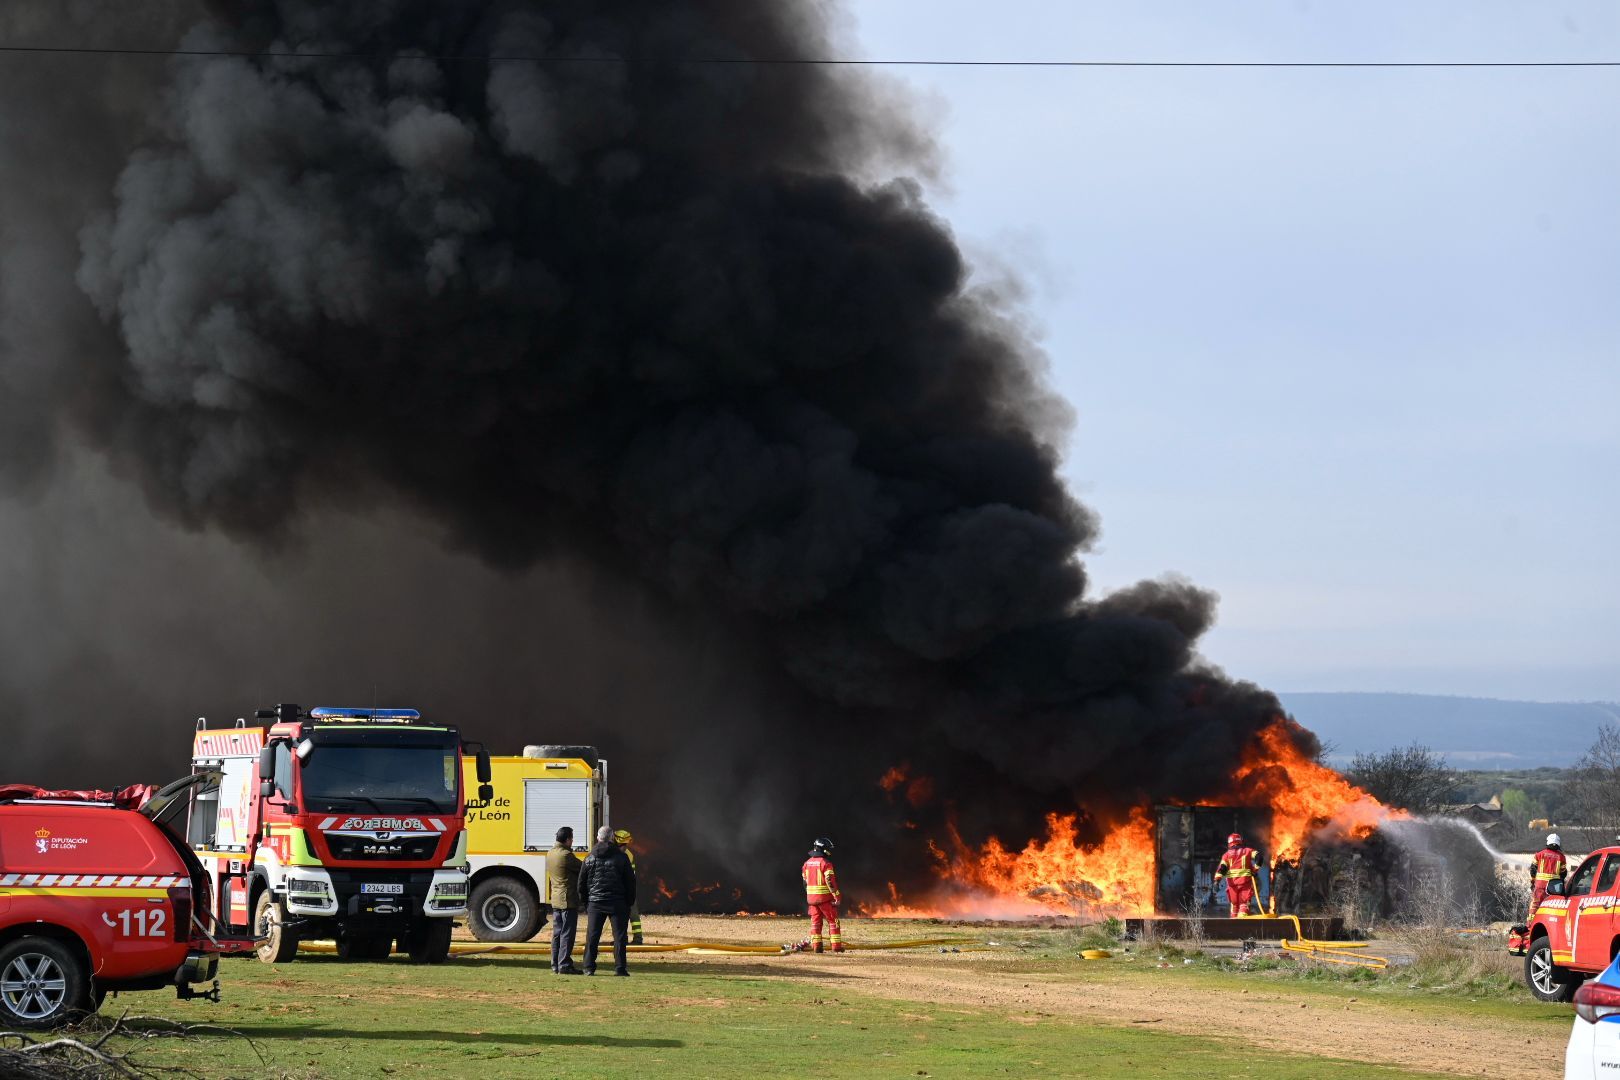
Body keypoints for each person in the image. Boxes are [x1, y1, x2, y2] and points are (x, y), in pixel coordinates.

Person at [578, 824, 636, 976]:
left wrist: (587, 903)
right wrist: (628, 902)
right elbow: (631, 882)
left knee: (592, 936)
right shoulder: (622, 858)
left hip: (595, 903)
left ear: (598, 838)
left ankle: (589, 967)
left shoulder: (589, 857)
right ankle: (620, 968)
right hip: (618, 903)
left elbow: (581, 884)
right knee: (620, 937)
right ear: (612, 838)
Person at [545, 826, 583, 975]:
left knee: (557, 933)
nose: (572, 841)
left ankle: (555, 963)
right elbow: (582, 868)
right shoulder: (566, 855)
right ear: (567, 839)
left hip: (556, 898)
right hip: (567, 898)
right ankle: (565, 964)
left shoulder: (551, 853)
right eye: (571, 838)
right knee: (567, 933)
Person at [801, 837, 843, 953]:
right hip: (825, 899)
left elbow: (805, 882)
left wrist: (810, 895)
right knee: (833, 922)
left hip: (812, 900)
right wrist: (837, 896)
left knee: (815, 923)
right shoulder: (825, 863)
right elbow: (830, 881)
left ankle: (817, 947)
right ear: (823, 849)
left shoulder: (807, 863)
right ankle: (836, 947)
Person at [1213, 832, 1260, 917]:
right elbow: (1259, 858)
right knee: (1244, 906)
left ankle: (1233, 927)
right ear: (1240, 841)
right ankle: (1242, 927)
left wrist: (1217, 881)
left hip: (1232, 887)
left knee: (1234, 907)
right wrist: (1255, 870)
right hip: (1245, 885)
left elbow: (1222, 869)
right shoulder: (1248, 851)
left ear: (1229, 843)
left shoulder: (1226, 855)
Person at [613, 829, 645, 945]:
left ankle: (638, 938)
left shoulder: (628, 855)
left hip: (627, 889)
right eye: (623, 844)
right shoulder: (614, 853)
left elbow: (630, 875)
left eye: (626, 845)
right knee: (619, 916)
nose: (625, 847)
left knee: (633, 914)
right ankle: (622, 938)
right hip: (618, 889)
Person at [1528, 832, 1568, 920]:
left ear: (1548, 842)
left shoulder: (1539, 854)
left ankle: (1530, 925)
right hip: (1554, 888)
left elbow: (1533, 870)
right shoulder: (1561, 857)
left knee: (1536, 904)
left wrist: (1533, 881)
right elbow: (1563, 873)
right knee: (1552, 906)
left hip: (1540, 885)